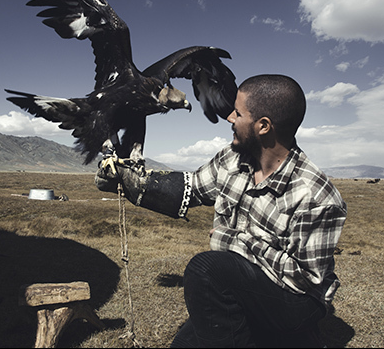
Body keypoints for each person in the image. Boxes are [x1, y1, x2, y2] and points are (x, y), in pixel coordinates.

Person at [95, 74, 347, 348]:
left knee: (207, 269)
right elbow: (192, 188)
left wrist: (235, 240)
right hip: (241, 286)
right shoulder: (232, 158)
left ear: (263, 126)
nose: (229, 118)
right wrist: (135, 183)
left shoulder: (316, 195)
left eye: (238, 113)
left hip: (295, 302)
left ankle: (293, 335)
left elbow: (304, 279)